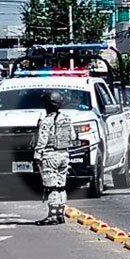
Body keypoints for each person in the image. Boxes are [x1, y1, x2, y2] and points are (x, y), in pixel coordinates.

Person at [33, 90, 75, 225]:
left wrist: (37, 156)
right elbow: (73, 137)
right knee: (61, 185)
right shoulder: (67, 119)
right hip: (64, 154)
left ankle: (52, 215)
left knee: (51, 187)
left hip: (50, 155)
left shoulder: (47, 121)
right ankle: (60, 213)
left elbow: (42, 140)